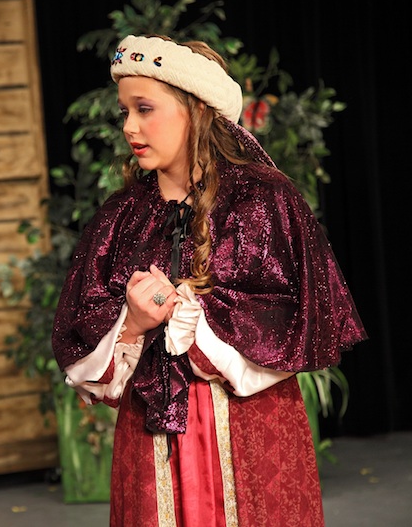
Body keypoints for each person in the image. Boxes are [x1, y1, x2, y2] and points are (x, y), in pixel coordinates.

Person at [51, 35, 367, 526]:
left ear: (197, 110)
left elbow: (293, 320)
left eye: (145, 109)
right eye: (124, 112)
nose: (130, 126)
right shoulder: (121, 216)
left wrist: (194, 321)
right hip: (150, 434)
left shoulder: (264, 200)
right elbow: (82, 339)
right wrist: (133, 324)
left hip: (251, 429)